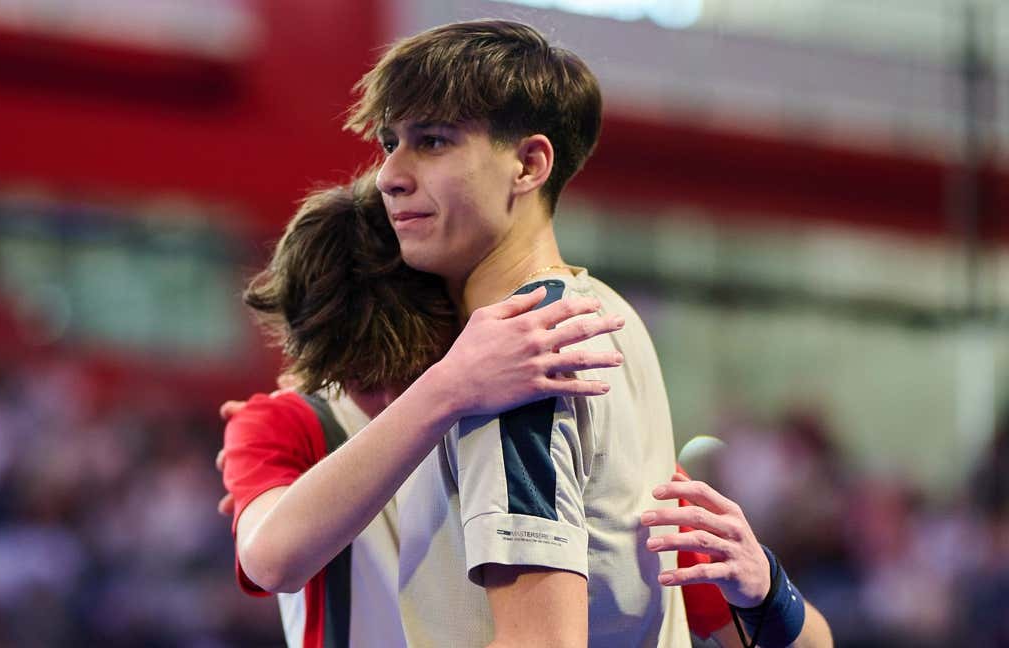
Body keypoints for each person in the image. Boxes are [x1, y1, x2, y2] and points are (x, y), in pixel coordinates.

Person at [229, 18, 833, 647]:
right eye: (389, 144)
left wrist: (766, 588)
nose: (390, 174)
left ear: (529, 163)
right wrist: (770, 594)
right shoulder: (605, 315)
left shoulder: (512, 359)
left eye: (432, 141)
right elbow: (271, 558)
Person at [221, 169, 743, 647]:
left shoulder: (533, 415)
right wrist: (446, 387)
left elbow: (758, 629)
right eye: (361, 379)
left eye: (407, 369)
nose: (389, 399)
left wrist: (771, 592)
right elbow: (271, 560)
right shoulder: (289, 420)